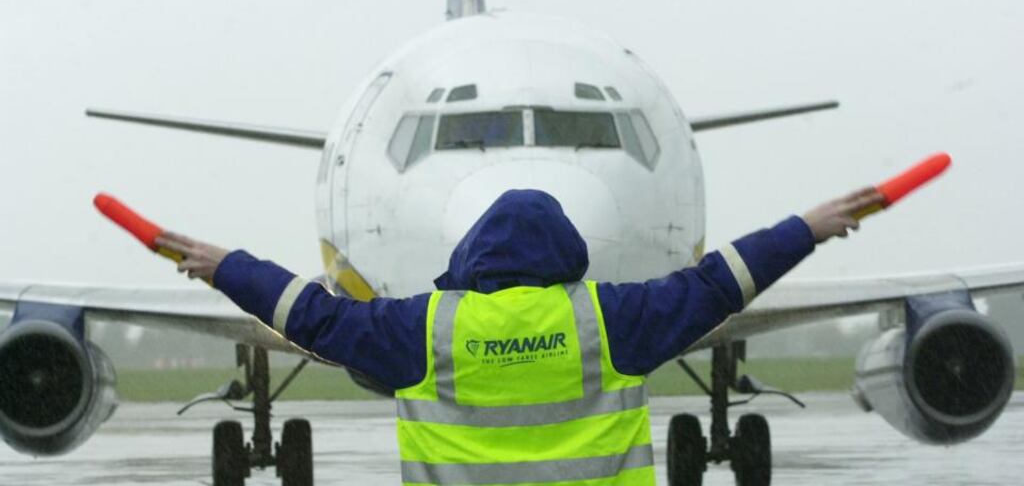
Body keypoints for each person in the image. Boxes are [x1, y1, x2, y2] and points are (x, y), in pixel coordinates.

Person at [156, 186, 883, 485]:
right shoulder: (607, 320)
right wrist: (810, 229)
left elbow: (307, 316)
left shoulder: (424, 330)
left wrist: (225, 266)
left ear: (471, 256)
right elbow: (724, 281)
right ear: (568, 252)